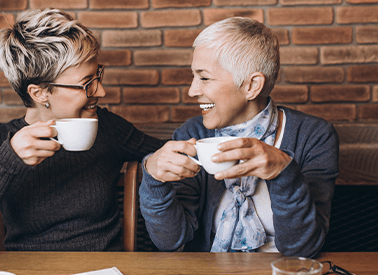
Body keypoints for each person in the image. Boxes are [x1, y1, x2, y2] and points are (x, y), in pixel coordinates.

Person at [0, 8, 165, 266]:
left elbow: (166, 156)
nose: (101, 89)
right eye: (87, 82)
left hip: (102, 269)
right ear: (39, 93)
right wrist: (6, 160)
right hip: (27, 270)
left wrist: (153, 162)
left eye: (97, 75)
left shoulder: (108, 127)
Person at [139, 17, 338, 256]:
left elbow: (303, 248)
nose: (192, 91)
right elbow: (171, 241)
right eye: (193, 76)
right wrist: (153, 177)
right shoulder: (192, 134)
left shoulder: (314, 136)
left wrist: (284, 173)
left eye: (204, 77)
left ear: (252, 86)